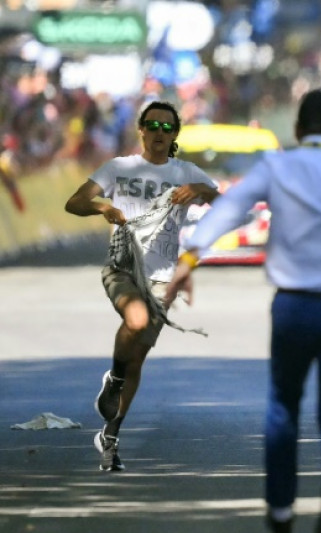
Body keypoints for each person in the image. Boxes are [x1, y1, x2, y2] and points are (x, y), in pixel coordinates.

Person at [163, 88, 321, 533]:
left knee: (283, 408)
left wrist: (188, 259)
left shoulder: (278, 166)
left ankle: (281, 511)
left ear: (298, 129)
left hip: (294, 309)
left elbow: (229, 210)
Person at [64, 100, 219, 471]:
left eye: (168, 128)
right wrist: (102, 207)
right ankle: (114, 378)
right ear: (141, 130)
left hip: (162, 281)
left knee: (137, 359)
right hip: (122, 268)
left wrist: (199, 188)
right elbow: (75, 202)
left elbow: (228, 206)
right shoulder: (120, 168)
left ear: (175, 134)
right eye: (153, 126)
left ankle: (110, 437)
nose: (159, 134)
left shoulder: (186, 172)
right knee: (134, 321)